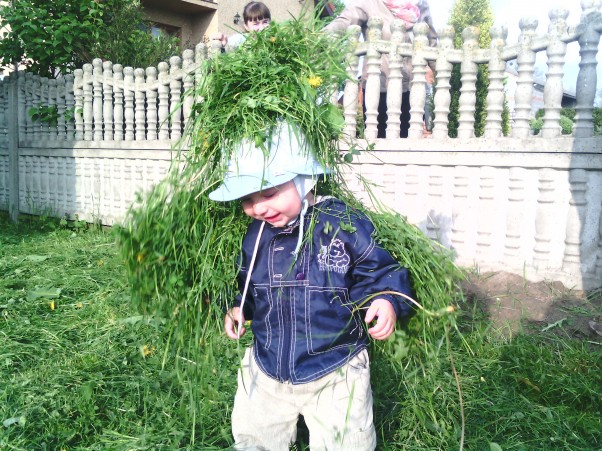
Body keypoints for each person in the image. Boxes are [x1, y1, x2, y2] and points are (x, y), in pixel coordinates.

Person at [209, 120, 414, 450]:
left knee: (347, 443)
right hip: (268, 364)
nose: (258, 207)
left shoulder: (342, 223)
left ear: (304, 179)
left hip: (336, 369)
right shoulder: (255, 236)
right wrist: (238, 307)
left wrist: (386, 299)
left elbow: (378, 270)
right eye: (247, 198)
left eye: (269, 193)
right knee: (254, 437)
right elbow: (247, 283)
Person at [323, 0, 437, 138]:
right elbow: (343, 22)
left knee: (410, 145)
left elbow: (431, 44)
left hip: (412, 91)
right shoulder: (369, 3)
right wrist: (313, 39)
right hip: (377, 90)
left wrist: (442, 76)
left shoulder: (420, 5)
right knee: (379, 142)